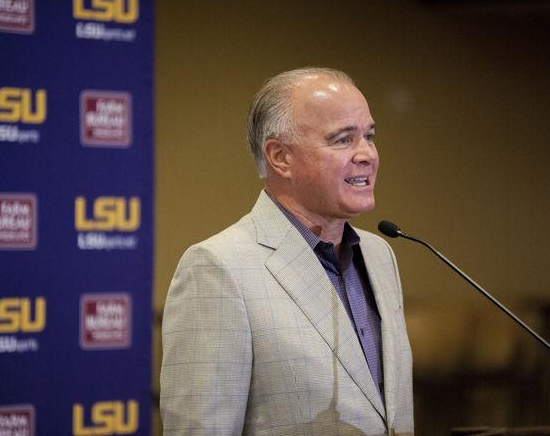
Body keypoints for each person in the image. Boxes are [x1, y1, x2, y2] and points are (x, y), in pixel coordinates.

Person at [160, 68, 414, 435]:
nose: (367, 155)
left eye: (369, 136)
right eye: (343, 139)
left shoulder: (380, 255)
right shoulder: (218, 268)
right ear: (280, 157)